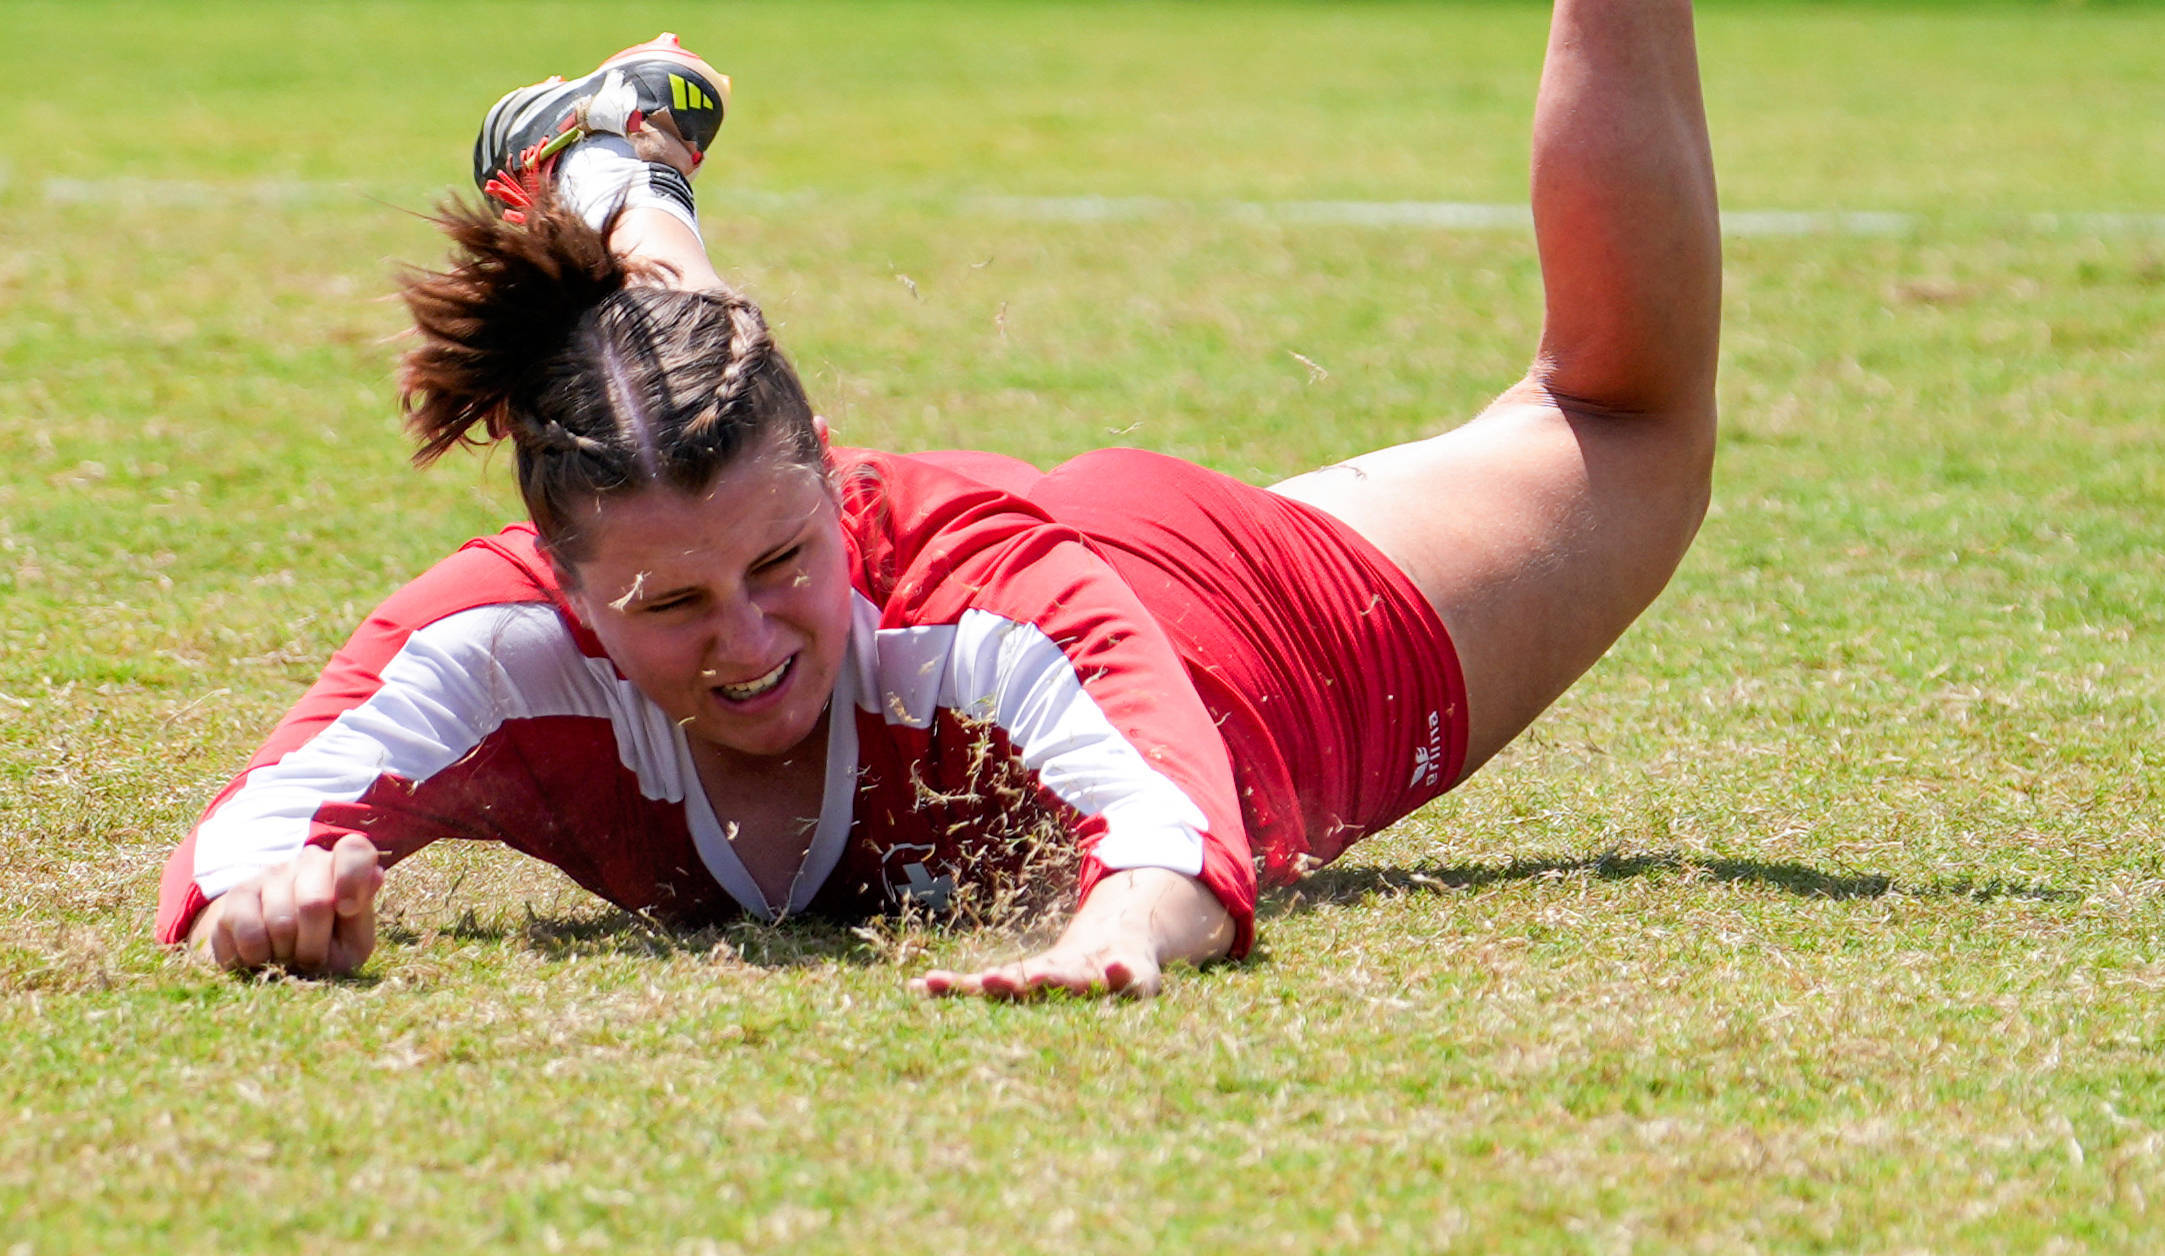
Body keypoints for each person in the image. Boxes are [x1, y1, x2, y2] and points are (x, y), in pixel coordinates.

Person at [157, 4, 1719, 999]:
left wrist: (1127, 925)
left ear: (835, 485)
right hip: (966, 563)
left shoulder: (958, 588)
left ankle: (622, 184)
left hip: (1228, 616)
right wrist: (264, 902)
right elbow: (249, 833)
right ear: (564, 593)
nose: (753, 645)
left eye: (783, 564)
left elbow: (1165, 821)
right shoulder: (490, 643)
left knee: (1623, 417)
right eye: (671, 607)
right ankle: (622, 175)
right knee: (683, 426)